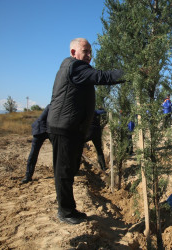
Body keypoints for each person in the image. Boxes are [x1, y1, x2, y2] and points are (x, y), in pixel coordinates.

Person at [47, 38, 124, 225]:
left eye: (91, 51)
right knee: (64, 171)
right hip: (64, 128)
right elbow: (103, 77)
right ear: (74, 52)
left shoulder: (73, 67)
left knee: (70, 168)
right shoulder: (75, 67)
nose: (89, 55)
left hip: (70, 128)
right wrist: (133, 73)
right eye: (85, 51)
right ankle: (65, 212)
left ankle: (69, 208)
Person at [21, 105, 50, 184]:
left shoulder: (55, 105)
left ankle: (63, 171)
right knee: (34, 153)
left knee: (59, 150)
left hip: (49, 129)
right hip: (40, 129)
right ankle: (28, 175)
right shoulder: (52, 106)